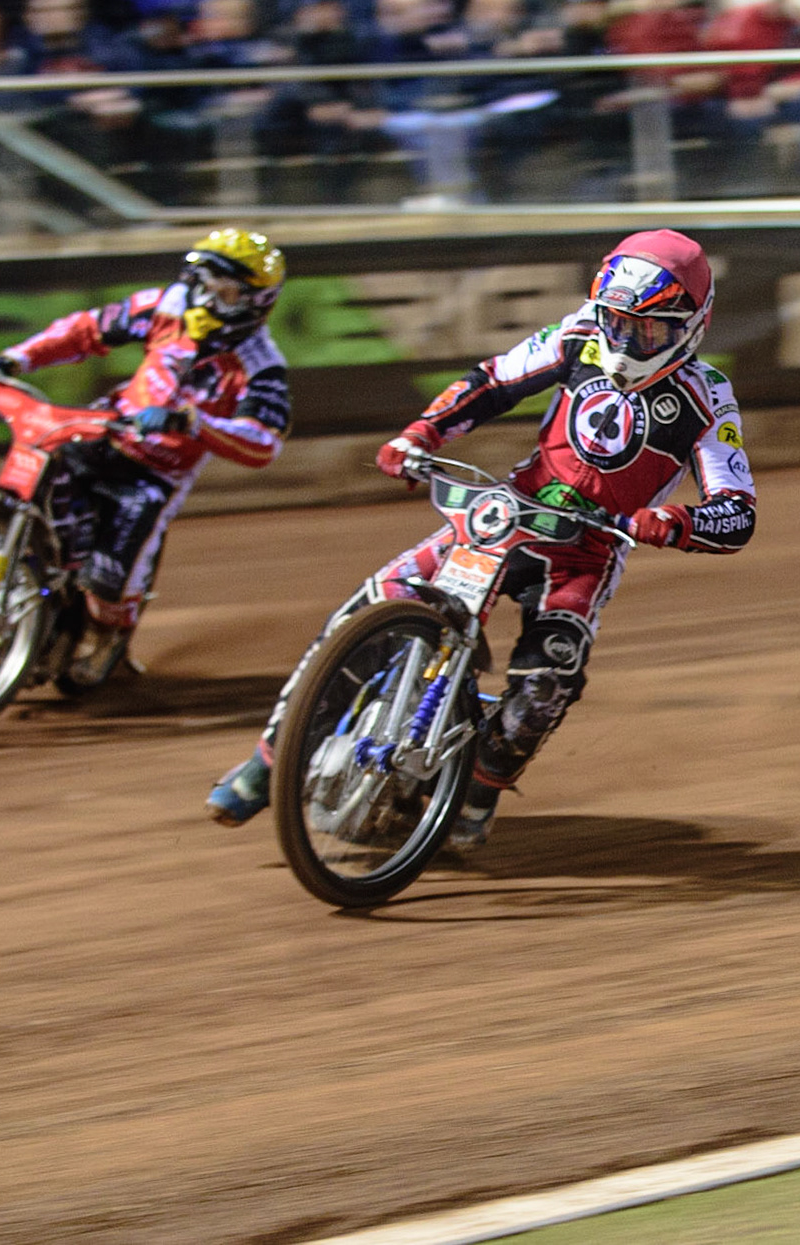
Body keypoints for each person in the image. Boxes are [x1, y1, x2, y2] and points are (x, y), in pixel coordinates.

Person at [206, 229, 756, 849]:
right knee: (367, 608)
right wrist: (421, 434)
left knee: (549, 681)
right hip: (504, 514)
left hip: (585, 549)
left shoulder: (708, 397)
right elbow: (492, 381)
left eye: (647, 331)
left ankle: (480, 792)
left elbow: (736, 512)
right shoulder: (579, 336)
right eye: (616, 323)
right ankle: (266, 765)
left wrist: (672, 522)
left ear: (694, 322)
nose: (627, 342)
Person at [0, 229, 290, 691]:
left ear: (255, 301)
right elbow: (87, 329)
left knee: (108, 579)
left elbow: (263, 441)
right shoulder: (167, 305)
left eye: (222, 291)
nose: (205, 298)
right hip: (103, 431)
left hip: (156, 473)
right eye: (202, 282)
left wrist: (192, 423)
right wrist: (15, 359)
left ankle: (108, 636)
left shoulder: (261, 364)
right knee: (9, 504)